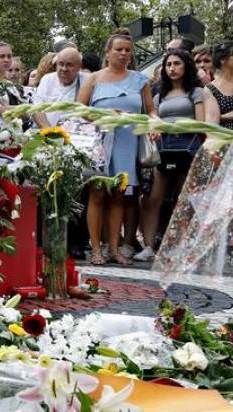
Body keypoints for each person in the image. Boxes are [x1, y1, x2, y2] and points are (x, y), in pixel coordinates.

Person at [78, 29, 156, 266]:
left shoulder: (141, 80)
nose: (123, 54)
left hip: (126, 141)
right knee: (98, 194)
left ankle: (114, 248)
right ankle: (96, 249)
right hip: (99, 142)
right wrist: (104, 114)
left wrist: (154, 123)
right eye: (119, 50)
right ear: (108, 52)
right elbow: (79, 110)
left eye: (127, 51)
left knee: (119, 196)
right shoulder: (94, 79)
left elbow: (150, 110)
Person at [135, 49, 205, 262]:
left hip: (188, 147)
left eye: (177, 63)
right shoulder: (159, 95)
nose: (172, 68)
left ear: (186, 66)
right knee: (153, 199)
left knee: (185, 199)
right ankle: (148, 246)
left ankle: (185, 247)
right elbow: (152, 121)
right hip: (163, 149)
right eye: (168, 64)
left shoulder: (196, 92)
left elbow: (201, 125)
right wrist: (155, 129)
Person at [33, 47, 86, 129]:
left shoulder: (87, 81)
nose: (64, 69)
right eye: (61, 64)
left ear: (79, 67)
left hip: (77, 135)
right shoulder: (47, 80)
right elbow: (37, 109)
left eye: (69, 65)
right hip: (48, 133)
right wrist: (50, 132)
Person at [205, 41, 233, 131]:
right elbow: (212, 120)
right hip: (228, 139)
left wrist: (223, 116)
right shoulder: (210, 89)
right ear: (222, 59)